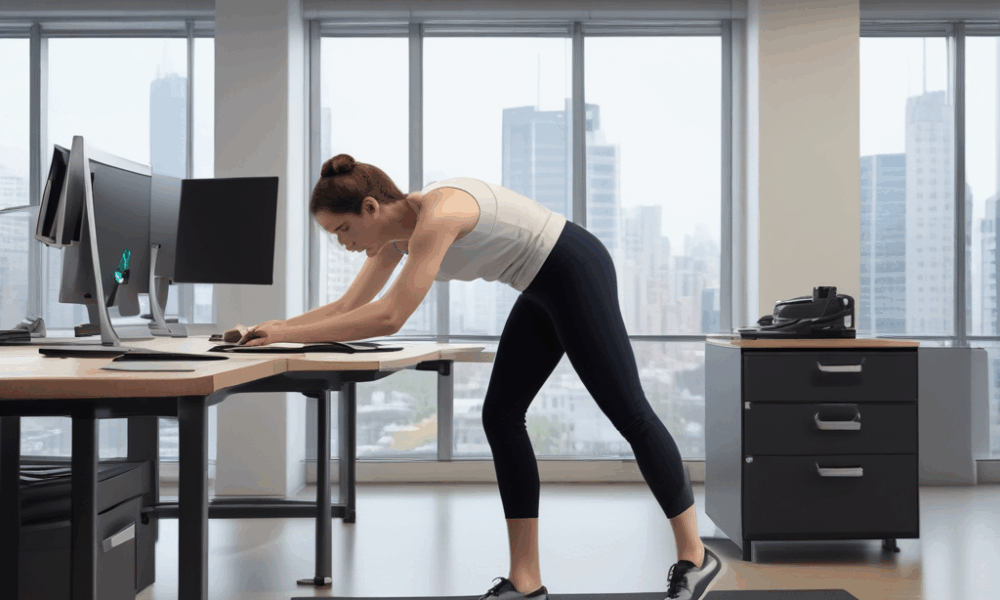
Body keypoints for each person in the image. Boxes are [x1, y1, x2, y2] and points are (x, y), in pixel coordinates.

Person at [227, 154, 725, 600]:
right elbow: (346, 306)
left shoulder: (439, 215)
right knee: (501, 416)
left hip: (574, 267)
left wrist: (287, 339)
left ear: (372, 208)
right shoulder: (392, 242)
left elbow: (389, 317)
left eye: (341, 230)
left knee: (629, 413)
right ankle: (525, 581)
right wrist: (271, 330)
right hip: (536, 284)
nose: (343, 244)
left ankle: (697, 557)